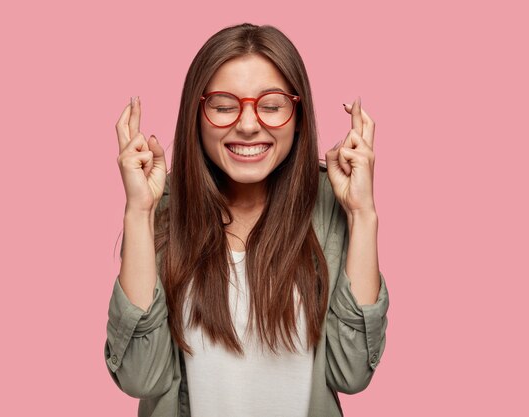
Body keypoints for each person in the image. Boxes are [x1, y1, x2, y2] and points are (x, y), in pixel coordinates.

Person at [104, 22, 390, 417]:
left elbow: (351, 372)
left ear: (298, 115)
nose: (249, 124)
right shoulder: (161, 204)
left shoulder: (331, 204)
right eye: (224, 106)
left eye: (272, 106)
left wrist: (363, 214)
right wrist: (138, 211)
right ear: (196, 115)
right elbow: (139, 377)